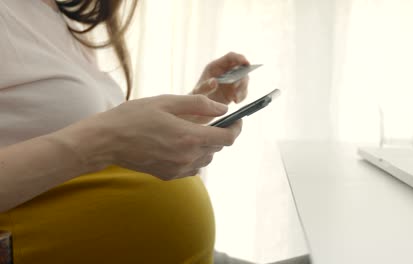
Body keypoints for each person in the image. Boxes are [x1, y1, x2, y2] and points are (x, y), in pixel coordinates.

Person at [0, 1, 310, 263]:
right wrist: (105, 140)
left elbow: (87, 155)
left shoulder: (53, 16)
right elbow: (97, 143)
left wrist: (195, 107)